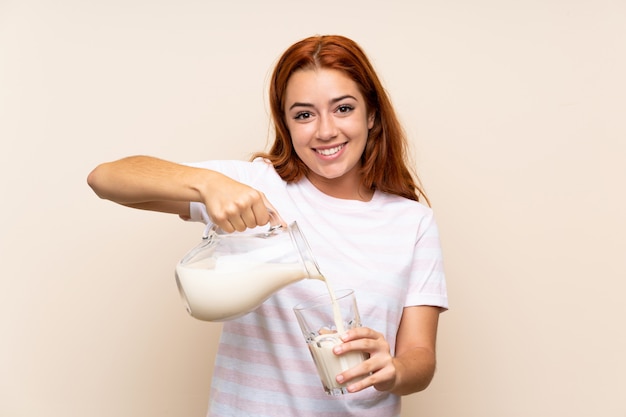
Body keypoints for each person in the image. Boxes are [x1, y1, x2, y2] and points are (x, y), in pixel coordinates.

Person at [88, 34, 447, 417]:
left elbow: (420, 358)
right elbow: (105, 179)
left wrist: (392, 369)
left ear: (371, 115)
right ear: (287, 124)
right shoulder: (257, 187)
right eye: (304, 115)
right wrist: (208, 184)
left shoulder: (412, 222)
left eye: (343, 108)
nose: (325, 130)